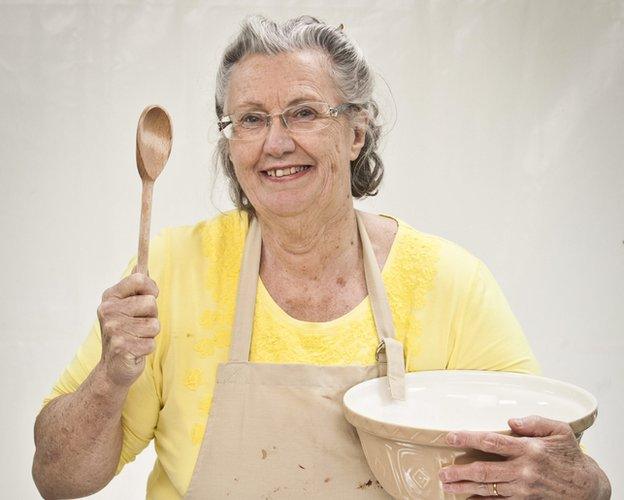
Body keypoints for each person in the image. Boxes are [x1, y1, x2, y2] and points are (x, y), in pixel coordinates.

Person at [32, 15, 611, 500]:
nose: (275, 142)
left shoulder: (447, 282)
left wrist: (583, 485)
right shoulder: (172, 268)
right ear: (230, 143)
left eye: (304, 113)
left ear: (357, 133)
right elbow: (56, 479)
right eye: (251, 119)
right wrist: (111, 377)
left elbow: (543, 466)